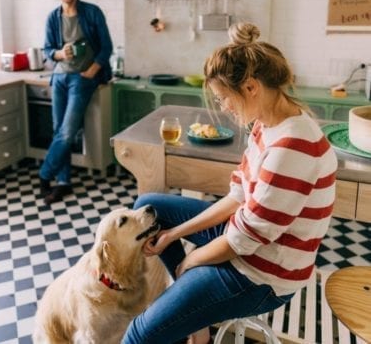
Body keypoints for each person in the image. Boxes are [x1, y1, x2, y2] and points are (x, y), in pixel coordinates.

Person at [121, 22, 338, 344]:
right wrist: (173, 235)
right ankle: (197, 324)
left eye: (224, 98)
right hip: (248, 241)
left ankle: (190, 307)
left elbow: (243, 241)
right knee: (150, 209)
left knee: (139, 333)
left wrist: (190, 262)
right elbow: (238, 196)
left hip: (263, 275)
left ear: (251, 87)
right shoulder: (268, 124)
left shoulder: (292, 149)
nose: (223, 108)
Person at [39, 0, 113, 204]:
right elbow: (48, 50)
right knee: (58, 129)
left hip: (82, 79)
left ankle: (44, 173)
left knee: (68, 131)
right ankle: (63, 182)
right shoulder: (53, 17)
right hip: (60, 77)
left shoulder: (92, 12)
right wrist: (60, 53)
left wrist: (92, 70)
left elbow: (106, 47)